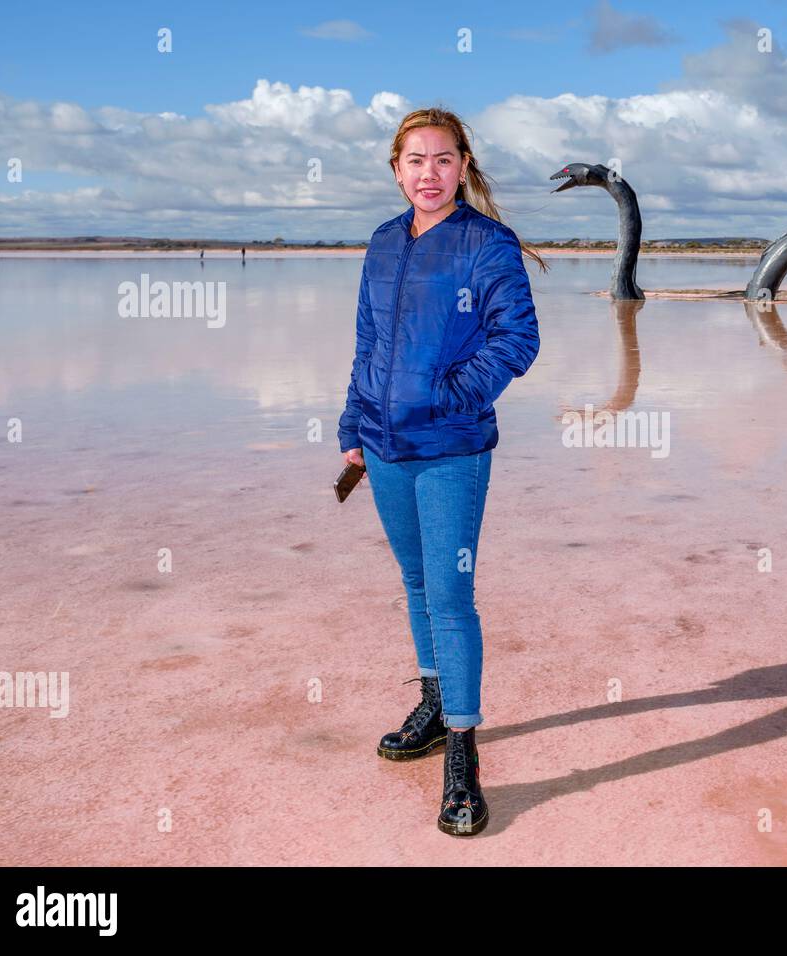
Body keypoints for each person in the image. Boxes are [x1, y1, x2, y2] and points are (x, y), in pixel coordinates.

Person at [338, 107, 546, 836]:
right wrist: (353, 426)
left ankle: (463, 753)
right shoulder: (383, 243)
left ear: (464, 166)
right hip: (386, 446)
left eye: (443, 160)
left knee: (452, 596)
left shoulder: (485, 244)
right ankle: (432, 706)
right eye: (415, 161)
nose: (429, 174)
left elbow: (517, 338)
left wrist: (449, 395)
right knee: (417, 581)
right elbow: (368, 342)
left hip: (453, 449)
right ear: (396, 170)